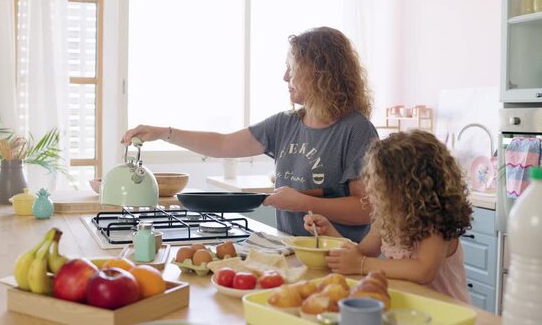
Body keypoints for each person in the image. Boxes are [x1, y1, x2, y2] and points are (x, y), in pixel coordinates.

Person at [122, 26, 378, 242]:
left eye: (293, 67)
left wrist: (300, 202)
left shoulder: (356, 130)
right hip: (291, 250)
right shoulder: (285, 124)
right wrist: (163, 133)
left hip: (337, 260)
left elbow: (366, 209)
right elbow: (223, 145)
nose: (285, 76)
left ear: (320, 72)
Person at [304, 130, 473, 303]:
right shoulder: (389, 218)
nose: (368, 188)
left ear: (405, 187)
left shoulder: (435, 221)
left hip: (448, 311)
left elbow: (424, 270)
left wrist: (362, 264)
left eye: (377, 182)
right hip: (413, 306)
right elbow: (362, 252)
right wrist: (329, 232)